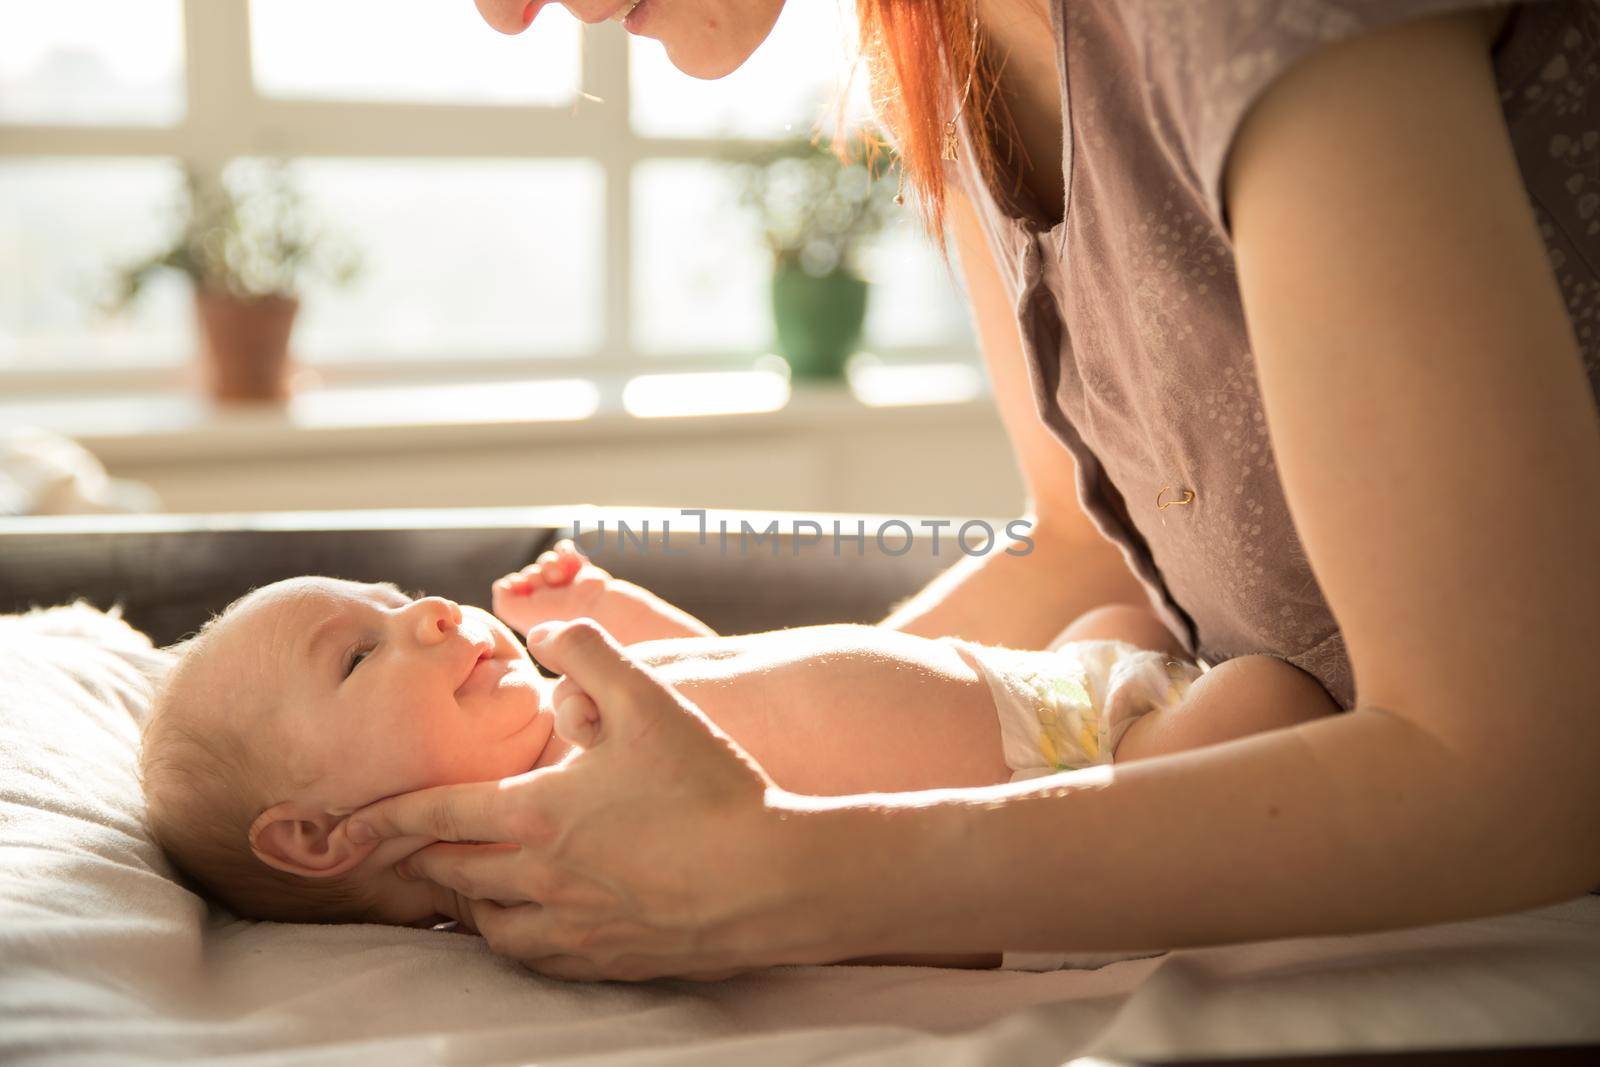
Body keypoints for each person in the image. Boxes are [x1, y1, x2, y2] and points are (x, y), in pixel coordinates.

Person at [346, 0, 1600, 981]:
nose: (505, 17)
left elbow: (1516, 771)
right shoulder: (943, 51)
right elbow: (1093, 556)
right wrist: (753, 729)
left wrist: (791, 875)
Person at [137, 551, 1335, 974]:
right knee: (1273, 699)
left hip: (1048, 691)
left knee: (1118, 608)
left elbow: (744, 693)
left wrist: (631, 614)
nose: (433, 616)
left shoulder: (580, 712)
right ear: (316, 834)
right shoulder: (539, 855)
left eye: (399, 601)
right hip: (1069, 808)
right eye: (360, 654)